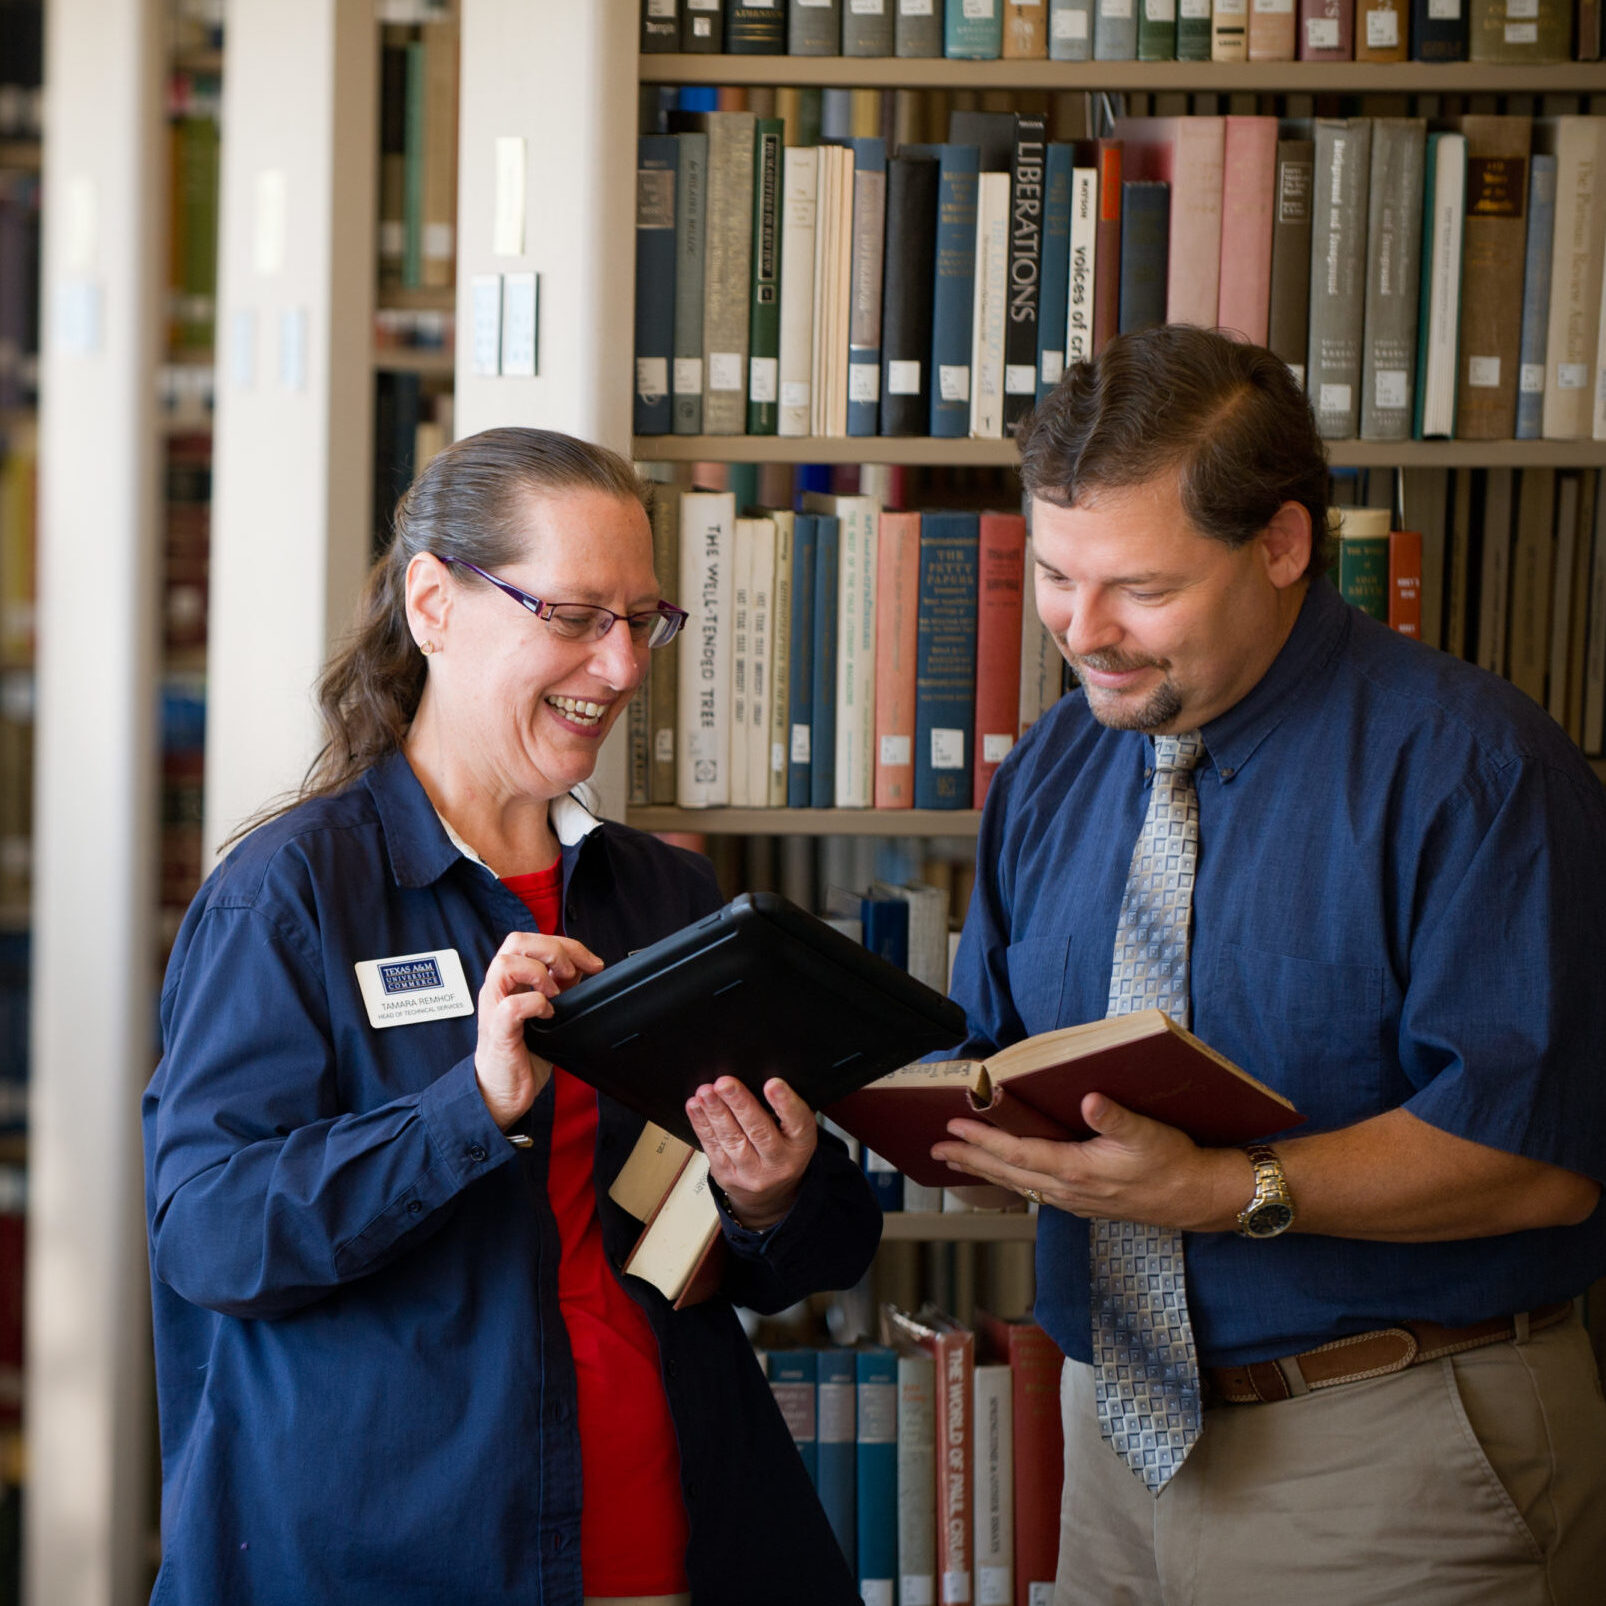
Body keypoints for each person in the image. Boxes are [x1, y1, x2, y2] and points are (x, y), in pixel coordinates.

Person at [142, 426, 881, 1606]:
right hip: (397, 1558)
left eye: (642, 620)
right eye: (576, 615)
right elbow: (211, 1235)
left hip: (671, 1539)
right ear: (433, 603)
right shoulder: (290, 898)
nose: (624, 666)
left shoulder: (665, 894)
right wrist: (466, 1109)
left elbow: (810, 1251)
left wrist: (772, 1194)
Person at [931, 324, 1606, 1605]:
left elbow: (1537, 1161)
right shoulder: (1054, 770)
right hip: (1108, 1441)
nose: (1085, 630)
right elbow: (997, 1061)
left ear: (1284, 545)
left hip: (1395, 1443)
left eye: (1142, 587)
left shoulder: (1476, 769)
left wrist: (1214, 1189)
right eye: (1059, 576)